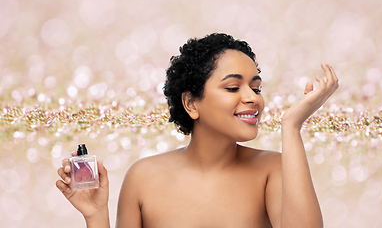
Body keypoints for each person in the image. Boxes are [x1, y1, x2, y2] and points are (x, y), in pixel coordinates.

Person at [56, 33, 338, 227]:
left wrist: (291, 126)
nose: (253, 97)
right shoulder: (143, 178)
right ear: (191, 103)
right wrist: (95, 216)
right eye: (232, 87)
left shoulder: (272, 169)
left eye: (256, 87)